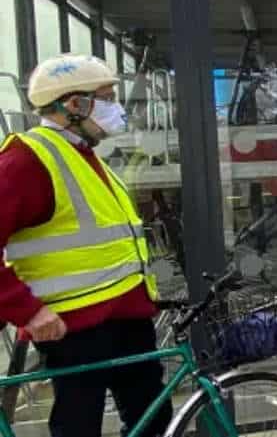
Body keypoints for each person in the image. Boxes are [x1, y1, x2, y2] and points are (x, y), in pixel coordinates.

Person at [0, 54, 167, 437]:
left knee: (152, 419)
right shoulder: (25, 161)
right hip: (73, 329)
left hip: (124, 317)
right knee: (79, 427)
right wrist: (27, 311)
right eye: (107, 98)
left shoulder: (84, 155)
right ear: (75, 105)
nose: (116, 108)